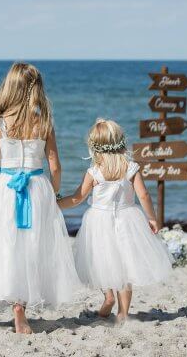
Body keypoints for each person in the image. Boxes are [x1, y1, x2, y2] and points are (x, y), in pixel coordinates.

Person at [0, 62, 82, 335]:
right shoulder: (44, 121)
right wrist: (55, 193)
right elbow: (55, 164)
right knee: (33, 245)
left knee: (7, 243)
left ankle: (14, 299)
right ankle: (21, 305)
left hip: (4, 187)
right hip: (37, 185)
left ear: (9, 87)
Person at [58, 117, 172, 322]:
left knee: (101, 261)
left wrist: (56, 204)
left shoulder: (94, 172)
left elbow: (76, 198)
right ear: (121, 141)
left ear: (94, 146)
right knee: (125, 265)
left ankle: (108, 297)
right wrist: (152, 218)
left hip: (98, 222)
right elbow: (144, 195)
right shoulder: (131, 167)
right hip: (128, 219)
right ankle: (123, 314)